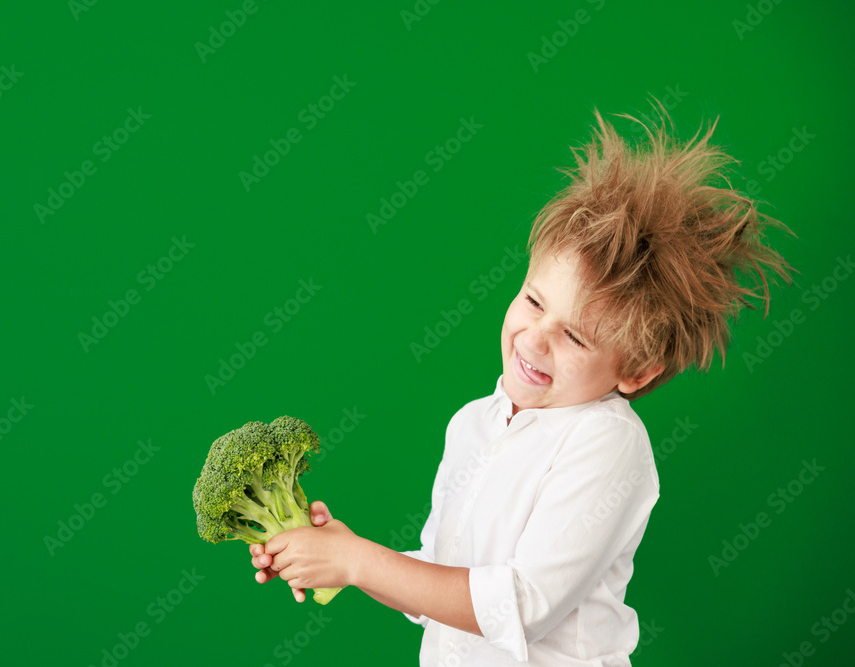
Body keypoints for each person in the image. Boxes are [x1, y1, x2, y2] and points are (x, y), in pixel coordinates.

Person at [248, 101, 797, 665]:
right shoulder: (472, 423)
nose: (535, 340)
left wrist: (358, 560)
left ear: (636, 371)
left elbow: (521, 605)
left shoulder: (606, 441)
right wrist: (337, 553)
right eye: (534, 301)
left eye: (576, 338)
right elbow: (436, 587)